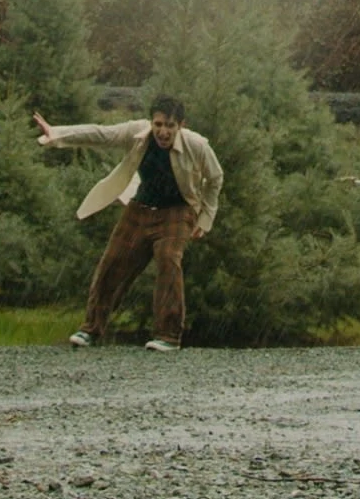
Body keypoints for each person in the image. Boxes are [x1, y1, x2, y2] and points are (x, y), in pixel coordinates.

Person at [36, 95, 222, 351]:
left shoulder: (197, 145)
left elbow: (215, 178)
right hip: (141, 206)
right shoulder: (137, 133)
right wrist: (57, 134)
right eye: (158, 124)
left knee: (168, 259)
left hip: (179, 210)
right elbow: (101, 134)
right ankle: (91, 329)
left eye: (169, 125)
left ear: (181, 125)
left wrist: (205, 219)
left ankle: (168, 335)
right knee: (113, 261)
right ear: (151, 122)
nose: (163, 132)